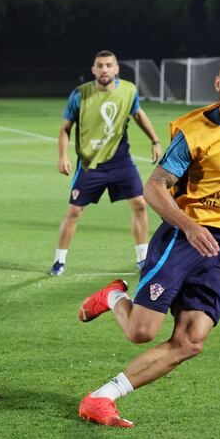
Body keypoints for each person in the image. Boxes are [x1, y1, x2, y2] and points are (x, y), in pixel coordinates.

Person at [76, 52, 220, 428]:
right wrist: (190, 226)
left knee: (192, 340)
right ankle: (114, 296)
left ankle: (102, 397)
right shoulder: (193, 132)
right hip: (182, 240)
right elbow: (154, 189)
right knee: (140, 332)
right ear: (218, 84)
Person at [51, 50, 162, 276]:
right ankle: (59, 261)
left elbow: (138, 114)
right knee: (74, 211)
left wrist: (155, 140)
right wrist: (63, 156)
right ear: (93, 70)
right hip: (91, 164)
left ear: (116, 69)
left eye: (109, 65)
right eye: (100, 65)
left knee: (140, 204)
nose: (104, 69)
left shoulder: (129, 90)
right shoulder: (80, 95)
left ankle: (142, 258)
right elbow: (65, 128)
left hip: (121, 161)